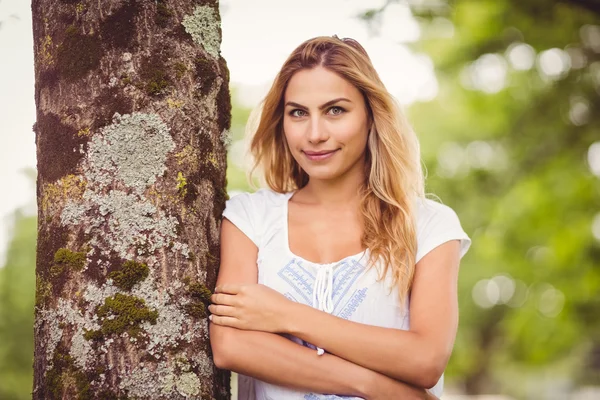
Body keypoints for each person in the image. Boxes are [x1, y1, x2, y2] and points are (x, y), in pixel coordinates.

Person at [208, 35, 471, 400]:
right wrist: (375, 385)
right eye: (298, 112)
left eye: (335, 110)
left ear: (370, 116)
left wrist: (285, 315)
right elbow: (231, 346)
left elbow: (425, 360)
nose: (315, 135)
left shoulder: (429, 226)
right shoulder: (249, 218)